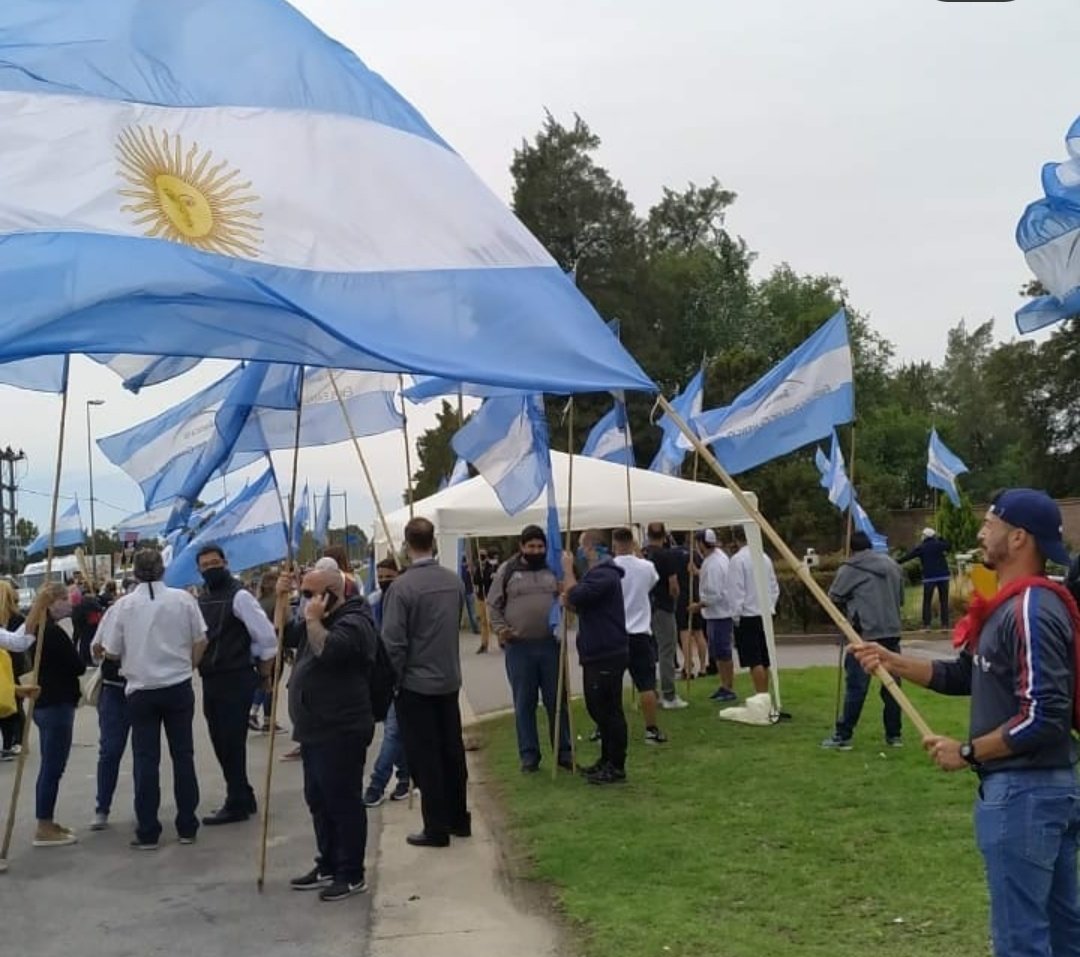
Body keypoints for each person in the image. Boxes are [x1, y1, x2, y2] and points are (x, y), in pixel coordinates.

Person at [854, 489, 1080, 957]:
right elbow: (964, 674)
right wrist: (893, 661)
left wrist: (968, 752)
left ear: (1018, 538)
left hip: (1026, 794)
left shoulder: (1031, 608)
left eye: (990, 523)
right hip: (1035, 791)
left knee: (1022, 940)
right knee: (1061, 935)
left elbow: (1044, 715)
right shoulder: (1008, 602)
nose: (980, 532)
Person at [284, 561, 378, 902]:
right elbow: (285, 635)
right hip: (314, 727)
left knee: (342, 801)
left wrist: (312, 621)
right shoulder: (317, 617)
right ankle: (328, 862)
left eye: (311, 594)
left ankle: (351, 873)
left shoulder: (354, 621)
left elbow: (331, 651)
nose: (305, 600)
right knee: (319, 799)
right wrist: (281, 600)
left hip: (341, 727)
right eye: (302, 593)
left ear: (332, 594)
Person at [99, 549, 207, 849]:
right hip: (177, 685)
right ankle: (187, 826)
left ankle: (148, 831)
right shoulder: (183, 599)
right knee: (183, 756)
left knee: (146, 760)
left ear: (134, 572)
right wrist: (188, 665)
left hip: (141, 689)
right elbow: (201, 640)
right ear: (163, 569)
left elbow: (112, 652)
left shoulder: (123, 606)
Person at [382, 517, 470, 848]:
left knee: (425, 756)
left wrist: (392, 682)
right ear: (433, 542)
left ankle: (436, 826)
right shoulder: (453, 581)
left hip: (415, 683)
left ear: (407, 546)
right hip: (448, 678)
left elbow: (393, 643)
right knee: (452, 751)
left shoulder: (401, 588)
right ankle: (459, 818)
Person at [195, 544, 278, 825]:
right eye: (205, 565)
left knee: (231, 742)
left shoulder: (239, 596)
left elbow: (266, 637)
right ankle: (243, 794)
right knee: (219, 740)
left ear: (225, 563)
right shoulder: (203, 598)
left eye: (214, 563)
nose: (211, 568)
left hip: (235, 676)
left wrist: (264, 673)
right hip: (211, 678)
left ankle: (236, 802)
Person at [487, 525, 573, 771]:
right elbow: (493, 604)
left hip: (551, 645)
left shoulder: (553, 568)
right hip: (519, 647)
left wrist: (566, 590)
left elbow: (570, 597)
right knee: (524, 702)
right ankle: (529, 755)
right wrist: (500, 629)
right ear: (521, 547)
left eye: (540, 546)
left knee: (557, 701)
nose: (536, 550)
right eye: (531, 546)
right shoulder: (507, 570)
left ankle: (563, 751)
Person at [820, 531, 906, 750]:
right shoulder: (893, 566)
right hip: (892, 632)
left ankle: (843, 736)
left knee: (856, 687)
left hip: (864, 634)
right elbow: (901, 598)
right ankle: (894, 735)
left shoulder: (850, 568)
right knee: (892, 688)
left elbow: (834, 596)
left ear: (851, 548)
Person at [561, 529, 629, 785]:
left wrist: (568, 571)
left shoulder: (603, 575)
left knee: (607, 710)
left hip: (606, 651)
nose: (579, 552)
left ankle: (616, 765)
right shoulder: (597, 575)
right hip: (597, 650)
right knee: (598, 707)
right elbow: (581, 603)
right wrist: (570, 601)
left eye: (581, 547)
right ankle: (606, 759)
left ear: (591, 548)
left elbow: (577, 595)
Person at [26, 582, 85, 847]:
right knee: (53, 767)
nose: (68, 604)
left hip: (44, 703)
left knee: (50, 765)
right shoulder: (52, 632)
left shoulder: (35, 629)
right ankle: (44, 825)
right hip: (57, 703)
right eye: (63, 599)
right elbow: (77, 665)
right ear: (51, 603)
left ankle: (46, 820)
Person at [612, 526, 668, 743]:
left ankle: (604, 728)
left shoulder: (609, 567)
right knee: (646, 685)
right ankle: (651, 729)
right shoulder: (647, 567)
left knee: (610, 686)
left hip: (616, 633)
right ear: (633, 542)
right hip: (640, 633)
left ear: (615, 544)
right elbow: (653, 582)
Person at [364, 560, 410, 806]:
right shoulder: (373, 602)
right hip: (380, 675)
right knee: (396, 731)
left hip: (401, 673)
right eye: (379, 576)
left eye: (388, 576)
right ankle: (405, 777)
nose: (383, 580)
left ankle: (377, 785)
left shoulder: (405, 599)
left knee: (393, 731)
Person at [89, 596, 132, 831]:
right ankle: (102, 807)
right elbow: (95, 649)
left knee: (144, 753)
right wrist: (101, 651)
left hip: (140, 688)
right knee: (110, 751)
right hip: (114, 690)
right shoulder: (113, 613)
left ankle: (144, 808)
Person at [729, 526, 780, 696]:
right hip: (765, 613)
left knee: (754, 660)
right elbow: (774, 587)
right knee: (764, 659)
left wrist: (735, 616)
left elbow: (736, 590)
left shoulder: (737, 560)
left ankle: (760, 695)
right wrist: (770, 606)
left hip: (747, 615)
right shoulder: (764, 558)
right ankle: (765, 694)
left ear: (737, 538)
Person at [641, 523, 687, 712]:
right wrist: (675, 597)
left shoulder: (643, 554)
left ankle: (650, 690)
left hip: (645, 606)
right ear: (664, 536)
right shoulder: (666, 556)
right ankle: (668, 694)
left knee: (648, 651)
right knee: (666, 649)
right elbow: (673, 584)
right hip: (663, 606)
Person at [692, 528, 737, 703]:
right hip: (716, 613)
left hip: (719, 614)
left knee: (723, 652)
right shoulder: (717, 558)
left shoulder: (713, 564)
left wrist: (698, 606)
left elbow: (714, 593)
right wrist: (697, 572)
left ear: (702, 544)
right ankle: (724, 685)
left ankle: (728, 687)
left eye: (698, 542)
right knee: (718, 652)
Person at [249, 570, 285, 734]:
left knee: (264, 680)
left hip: (259, 647)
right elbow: (282, 624)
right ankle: (267, 720)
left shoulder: (258, 602)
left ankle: (256, 712)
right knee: (271, 683)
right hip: (274, 645)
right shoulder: (276, 601)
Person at [899, 527, 952, 631]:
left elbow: (909, 556)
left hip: (929, 578)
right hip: (943, 576)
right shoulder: (940, 544)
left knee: (927, 601)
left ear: (925, 536)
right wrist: (941, 538)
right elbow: (948, 545)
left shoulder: (922, 547)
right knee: (944, 601)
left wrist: (896, 561)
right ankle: (945, 625)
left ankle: (927, 625)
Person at [0, 579, 27, 760]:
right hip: (6, 665)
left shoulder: (16, 618)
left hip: (12, 665)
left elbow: (19, 643)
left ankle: (16, 741)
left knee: (14, 703)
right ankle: (11, 742)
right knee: (7, 703)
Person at [459, 552, 480, 635]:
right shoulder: (470, 569)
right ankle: (475, 628)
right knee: (472, 612)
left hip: (461, 592)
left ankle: (457, 627)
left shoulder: (460, 569)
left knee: (459, 611)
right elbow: (475, 578)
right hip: (469, 592)